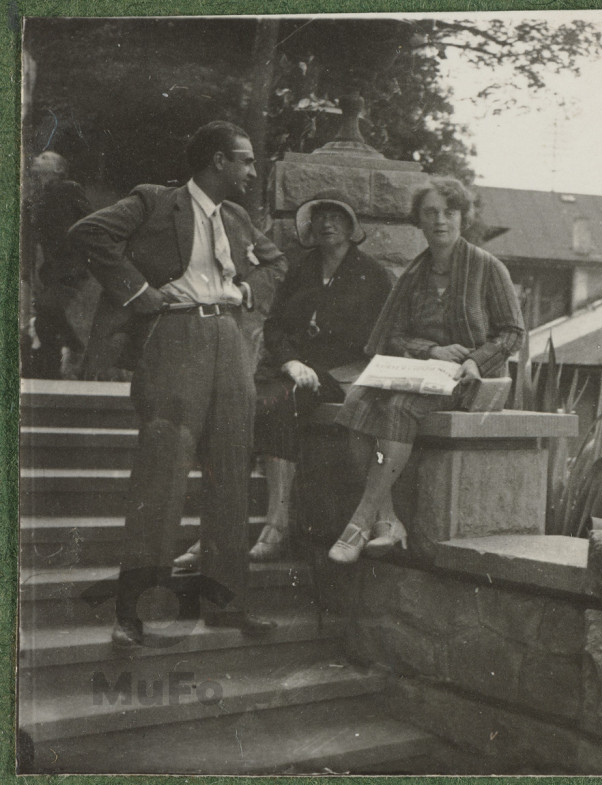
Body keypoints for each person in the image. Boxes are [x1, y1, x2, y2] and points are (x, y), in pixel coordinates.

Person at [69, 121, 288, 647]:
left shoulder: (235, 216)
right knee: (162, 474)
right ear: (217, 161)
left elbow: (277, 262)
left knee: (232, 468)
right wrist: (138, 291)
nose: (253, 170)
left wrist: (249, 293)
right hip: (174, 336)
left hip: (229, 340)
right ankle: (133, 612)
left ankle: (226, 604)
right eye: (246, 160)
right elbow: (89, 233)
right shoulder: (154, 201)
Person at [173, 191, 392, 568]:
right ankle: (214, 532)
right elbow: (275, 326)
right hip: (292, 369)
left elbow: (379, 337)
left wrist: (332, 369)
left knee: (277, 407)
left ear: (352, 226)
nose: (326, 224)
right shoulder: (302, 269)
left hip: (341, 373)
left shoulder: (372, 275)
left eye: (336, 217)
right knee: (231, 408)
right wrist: (290, 360)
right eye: (319, 217)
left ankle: (277, 526)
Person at [329, 176, 525, 563]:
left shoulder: (488, 268)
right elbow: (394, 337)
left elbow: (512, 333)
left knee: (398, 408)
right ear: (418, 221)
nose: (440, 221)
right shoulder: (413, 276)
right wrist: (432, 350)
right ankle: (388, 520)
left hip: (473, 381)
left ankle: (360, 523)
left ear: (463, 219)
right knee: (356, 405)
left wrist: (473, 359)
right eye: (431, 213)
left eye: (449, 213)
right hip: (424, 373)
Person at [22, 151, 94, 379]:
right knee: (44, 324)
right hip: (51, 269)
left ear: (58, 170)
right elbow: (28, 241)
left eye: (45, 158)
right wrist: (27, 272)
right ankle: (52, 372)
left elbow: (91, 219)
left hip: (73, 263)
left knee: (46, 307)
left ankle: (78, 348)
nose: (37, 159)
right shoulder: (33, 200)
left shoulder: (70, 188)